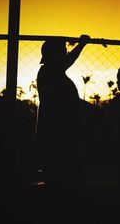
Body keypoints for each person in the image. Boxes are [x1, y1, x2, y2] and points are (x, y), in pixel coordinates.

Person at [35, 34, 90, 197]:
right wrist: (81, 45)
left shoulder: (50, 72)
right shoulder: (49, 71)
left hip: (60, 129)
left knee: (61, 169)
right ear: (54, 54)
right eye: (63, 50)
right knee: (62, 170)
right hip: (58, 129)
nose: (66, 53)